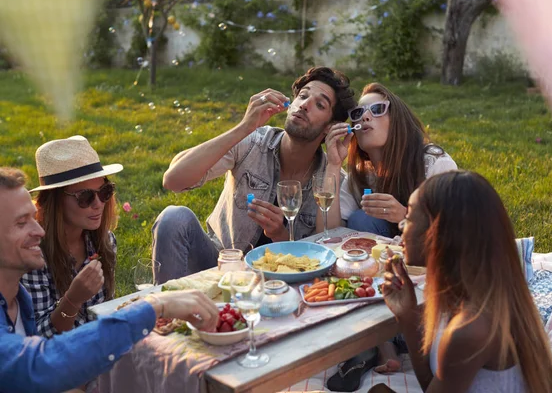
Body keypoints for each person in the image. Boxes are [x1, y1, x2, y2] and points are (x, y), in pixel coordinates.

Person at [0, 167, 219, 393]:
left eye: (105, 192)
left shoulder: (20, 300)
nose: (39, 230)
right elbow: (40, 363)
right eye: (21, 222)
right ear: (55, 202)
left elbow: (103, 313)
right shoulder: (34, 264)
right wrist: (153, 306)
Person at [153, 66, 356, 284]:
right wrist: (244, 127)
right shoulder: (252, 143)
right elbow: (173, 180)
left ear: (330, 127)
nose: (304, 105)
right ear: (289, 106)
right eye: (303, 96)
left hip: (284, 282)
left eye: (320, 104)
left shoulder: (332, 177)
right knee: (174, 218)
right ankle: (165, 312)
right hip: (221, 266)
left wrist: (281, 234)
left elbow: (329, 248)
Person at [377, 170, 552, 393]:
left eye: (410, 216)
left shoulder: (471, 328)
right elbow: (435, 384)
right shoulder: (468, 296)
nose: (401, 226)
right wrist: (408, 316)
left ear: (439, 233)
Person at [320, 82, 457, 238]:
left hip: (428, 257)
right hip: (386, 256)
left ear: (397, 119)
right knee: (362, 220)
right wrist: (334, 164)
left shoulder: (434, 163)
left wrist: (405, 216)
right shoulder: (360, 176)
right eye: (358, 113)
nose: (365, 117)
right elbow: (328, 234)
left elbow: (456, 233)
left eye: (377, 109)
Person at [21, 136, 120, 339]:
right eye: (85, 197)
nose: (98, 204)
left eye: (104, 191)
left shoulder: (105, 241)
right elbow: (38, 336)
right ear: (55, 201)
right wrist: (73, 300)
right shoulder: (32, 253)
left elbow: (106, 310)